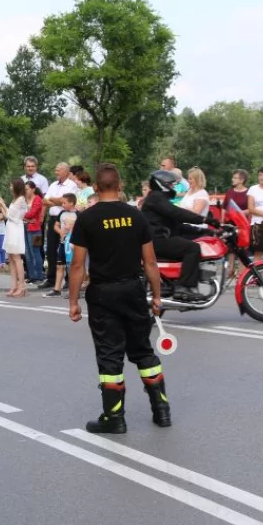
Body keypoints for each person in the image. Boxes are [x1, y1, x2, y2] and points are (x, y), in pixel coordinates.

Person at [68, 164, 169, 435]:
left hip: (103, 294)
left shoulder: (87, 219)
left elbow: (77, 265)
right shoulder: (136, 215)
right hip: (133, 290)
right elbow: (150, 262)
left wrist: (73, 301)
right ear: (120, 185)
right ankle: (162, 411)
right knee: (143, 350)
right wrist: (157, 296)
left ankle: (114, 418)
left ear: (96, 187)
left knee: (110, 355)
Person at [140, 170, 215, 301]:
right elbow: (177, 213)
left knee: (188, 245)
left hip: (157, 239)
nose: (173, 187)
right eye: (170, 184)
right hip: (156, 240)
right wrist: (203, 219)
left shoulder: (159, 200)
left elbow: (178, 226)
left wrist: (205, 231)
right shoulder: (155, 198)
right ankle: (183, 288)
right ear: (161, 184)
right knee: (192, 248)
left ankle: (171, 284)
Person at [41, 163, 79, 290]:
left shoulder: (71, 185)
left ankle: (69, 279)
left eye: (58, 170)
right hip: (53, 219)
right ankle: (51, 278)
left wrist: (53, 199)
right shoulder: (53, 184)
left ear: (66, 171)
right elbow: (45, 200)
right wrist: (57, 201)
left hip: (67, 219)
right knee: (51, 249)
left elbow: (67, 201)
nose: (56, 172)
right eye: (56, 169)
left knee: (67, 249)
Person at [0, 179, 29, 297]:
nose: (10, 187)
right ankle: (14, 286)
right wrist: (3, 206)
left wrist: (2, 204)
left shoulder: (21, 200)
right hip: (11, 227)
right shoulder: (15, 199)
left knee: (16, 258)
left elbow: (10, 215)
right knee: (11, 258)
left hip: (16, 228)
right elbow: (8, 215)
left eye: (11, 185)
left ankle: (22, 286)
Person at [44, 193, 78, 298]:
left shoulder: (78, 214)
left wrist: (72, 230)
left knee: (71, 267)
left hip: (72, 245)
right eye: (62, 203)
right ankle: (57, 289)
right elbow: (56, 225)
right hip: (63, 243)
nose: (62, 205)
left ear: (71, 203)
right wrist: (60, 232)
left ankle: (74, 289)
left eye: (64, 203)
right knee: (59, 266)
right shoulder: (62, 213)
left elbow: (81, 228)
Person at [224, 170, 250, 277]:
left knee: (242, 248)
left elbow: (251, 208)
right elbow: (224, 207)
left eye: (235, 178)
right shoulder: (230, 192)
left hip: (242, 223)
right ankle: (230, 270)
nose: (232, 179)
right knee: (230, 248)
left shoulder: (249, 192)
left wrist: (239, 213)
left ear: (242, 180)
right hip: (230, 223)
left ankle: (241, 273)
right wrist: (222, 221)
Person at [177, 167, 211, 240]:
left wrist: (180, 209)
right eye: (188, 178)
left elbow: (196, 213)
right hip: (185, 226)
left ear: (197, 179)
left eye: (191, 179)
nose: (188, 181)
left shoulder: (201, 193)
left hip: (196, 229)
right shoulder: (189, 191)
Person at [23, 181, 45, 283]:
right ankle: (31, 275)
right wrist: (25, 218)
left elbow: (32, 213)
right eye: (25, 189)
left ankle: (39, 275)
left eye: (27, 189)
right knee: (28, 253)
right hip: (25, 227)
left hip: (36, 229)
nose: (25, 191)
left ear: (33, 189)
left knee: (36, 252)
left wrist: (23, 216)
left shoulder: (37, 199)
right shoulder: (24, 199)